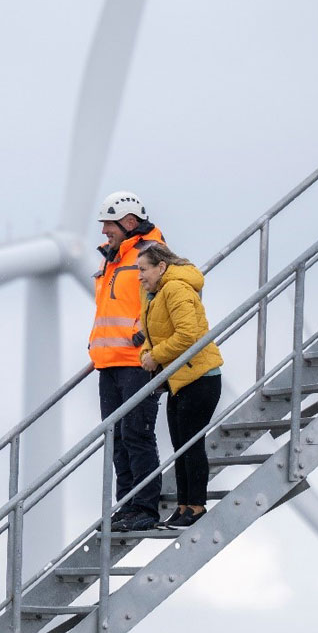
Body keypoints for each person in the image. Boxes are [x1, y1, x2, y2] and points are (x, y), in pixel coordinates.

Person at [88, 190, 167, 532]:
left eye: (109, 225)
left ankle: (146, 508)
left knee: (137, 434)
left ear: (130, 222)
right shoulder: (115, 258)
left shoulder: (151, 255)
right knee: (118, 438)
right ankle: (126, 505)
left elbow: (166, 296)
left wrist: (145, 334)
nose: (104, 231)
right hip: (108, 362)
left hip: (139, 360)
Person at [136, 243, 223, 528]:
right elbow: (150, 336)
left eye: (143, 269)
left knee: (190, 443)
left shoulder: (176, 289)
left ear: (160, 267)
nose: (139, 276)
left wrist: (156, 357)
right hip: (179, 378)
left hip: (200, 378)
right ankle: (183, 506)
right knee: (180, 445)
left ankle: (196, 507)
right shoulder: (153, 294)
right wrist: (147, 356)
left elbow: (189, 335)